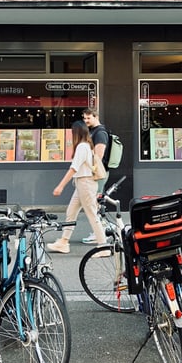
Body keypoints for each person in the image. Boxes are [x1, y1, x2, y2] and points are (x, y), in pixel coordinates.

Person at [47, 120, 108, 255]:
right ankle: (63, 242)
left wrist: (60, 186)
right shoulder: (87, 145)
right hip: (82, 184)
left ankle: (104, 247)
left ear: (76, 133)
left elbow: (74, 168)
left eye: (72, 132)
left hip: (85, 183)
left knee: (92, 215)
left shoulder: (82, 147)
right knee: (71, 212)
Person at [81, 108, 109, 244]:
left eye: (88, 118)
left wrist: (91, 171)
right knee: (93, 202)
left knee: (94, 202)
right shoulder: (92, 131)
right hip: (93, 172)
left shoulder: (100, 133)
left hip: (97, 173)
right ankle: (101, 230)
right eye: (84, 118)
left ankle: (99, 233)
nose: (86, 121)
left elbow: (99, 155)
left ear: (95, 116)